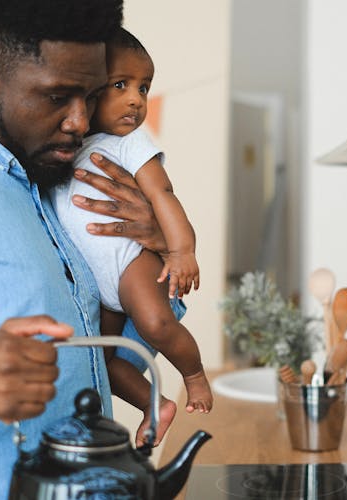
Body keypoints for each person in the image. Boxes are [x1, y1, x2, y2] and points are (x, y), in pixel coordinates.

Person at [0, 1, 173, 498]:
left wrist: (154, 253)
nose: (79, 122)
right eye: (57, 96)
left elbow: (96, 359)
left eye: (92, 95)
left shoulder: (51, 184)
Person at [51, 26, 213, 440]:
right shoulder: (65, 148)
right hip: (96, 284)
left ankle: (193, 374)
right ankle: (153, 403)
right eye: (120, 85)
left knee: (156, 323)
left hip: (128, 263)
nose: (135, 99)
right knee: (101, 361)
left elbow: (162, 193)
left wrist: (181, 250)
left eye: (144, 88)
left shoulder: (128, 143)